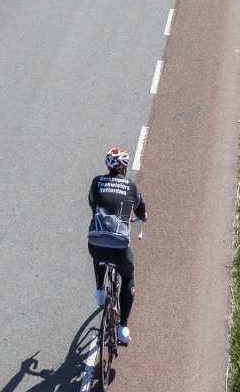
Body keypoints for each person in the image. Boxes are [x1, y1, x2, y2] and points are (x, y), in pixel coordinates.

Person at [87, 147, 148, 346]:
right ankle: (123, 328)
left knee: (99, 254)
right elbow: (140, 209)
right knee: (128, 276)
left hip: (95, 244)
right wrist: (142, 217)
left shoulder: (96, 182)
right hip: (120, 249)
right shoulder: (131, 186)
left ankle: (98, 291)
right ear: (123, 167)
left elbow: (93, 203)